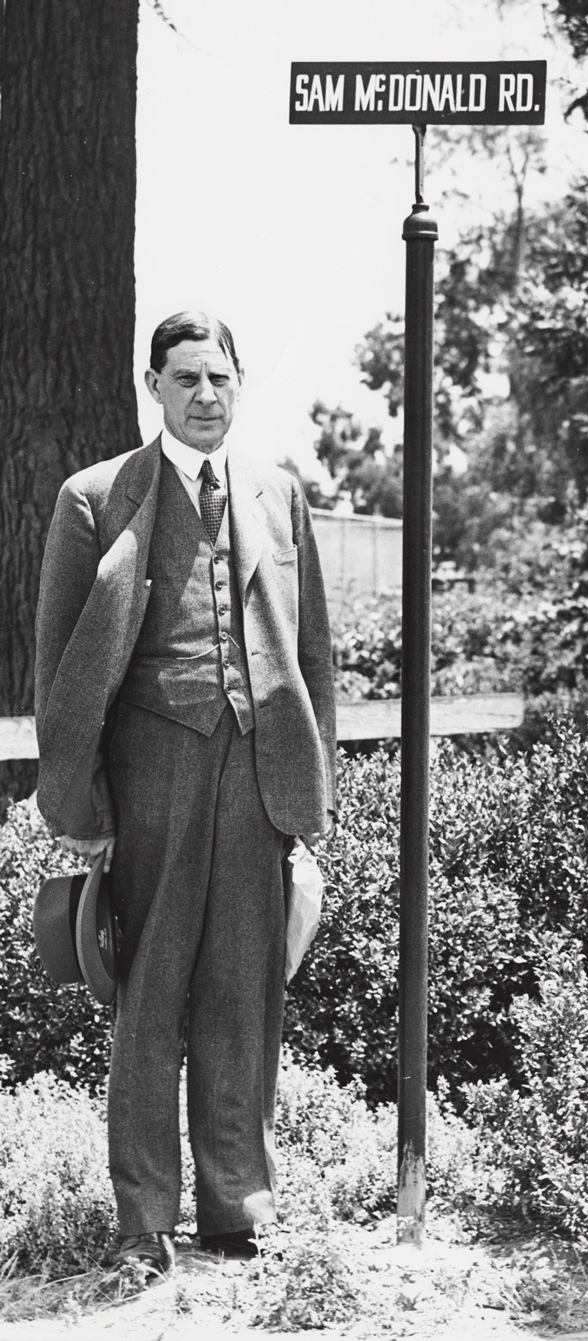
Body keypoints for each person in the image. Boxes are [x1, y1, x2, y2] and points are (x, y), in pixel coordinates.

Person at [34, 312, 336, 1274]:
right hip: (152, 772)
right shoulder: (97, 497)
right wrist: (83, 812)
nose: (206, 395)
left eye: (220, 377)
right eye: (186, 378)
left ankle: (237, 1207)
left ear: (241, 382)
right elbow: (61, 673)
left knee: (243, 995)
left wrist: (306, 792)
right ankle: (144, 1221)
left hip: (255, 775)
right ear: (151, 386)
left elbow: (314, 654)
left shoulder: (279, 494)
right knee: (149, 996)